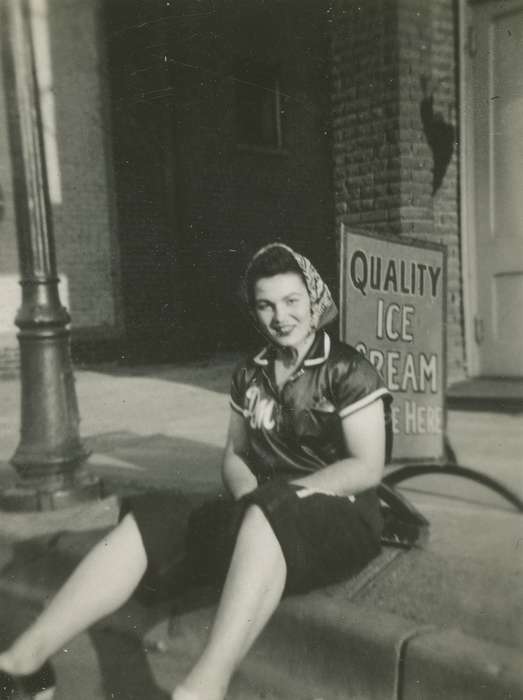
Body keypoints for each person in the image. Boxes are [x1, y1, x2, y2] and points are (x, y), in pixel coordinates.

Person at [0, 243, 392, 700]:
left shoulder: (348, 367)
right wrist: (249, 495)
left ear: (313, 300)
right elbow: (236, 455)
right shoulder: (251, 373)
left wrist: (277, 498)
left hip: (341, 513)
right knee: (156, 516)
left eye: (291, 301)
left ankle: (204, 688)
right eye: (266, 305)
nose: (280, 317)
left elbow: (366, 468)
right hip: (264, 512)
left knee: (268, 510)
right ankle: (24, 661)